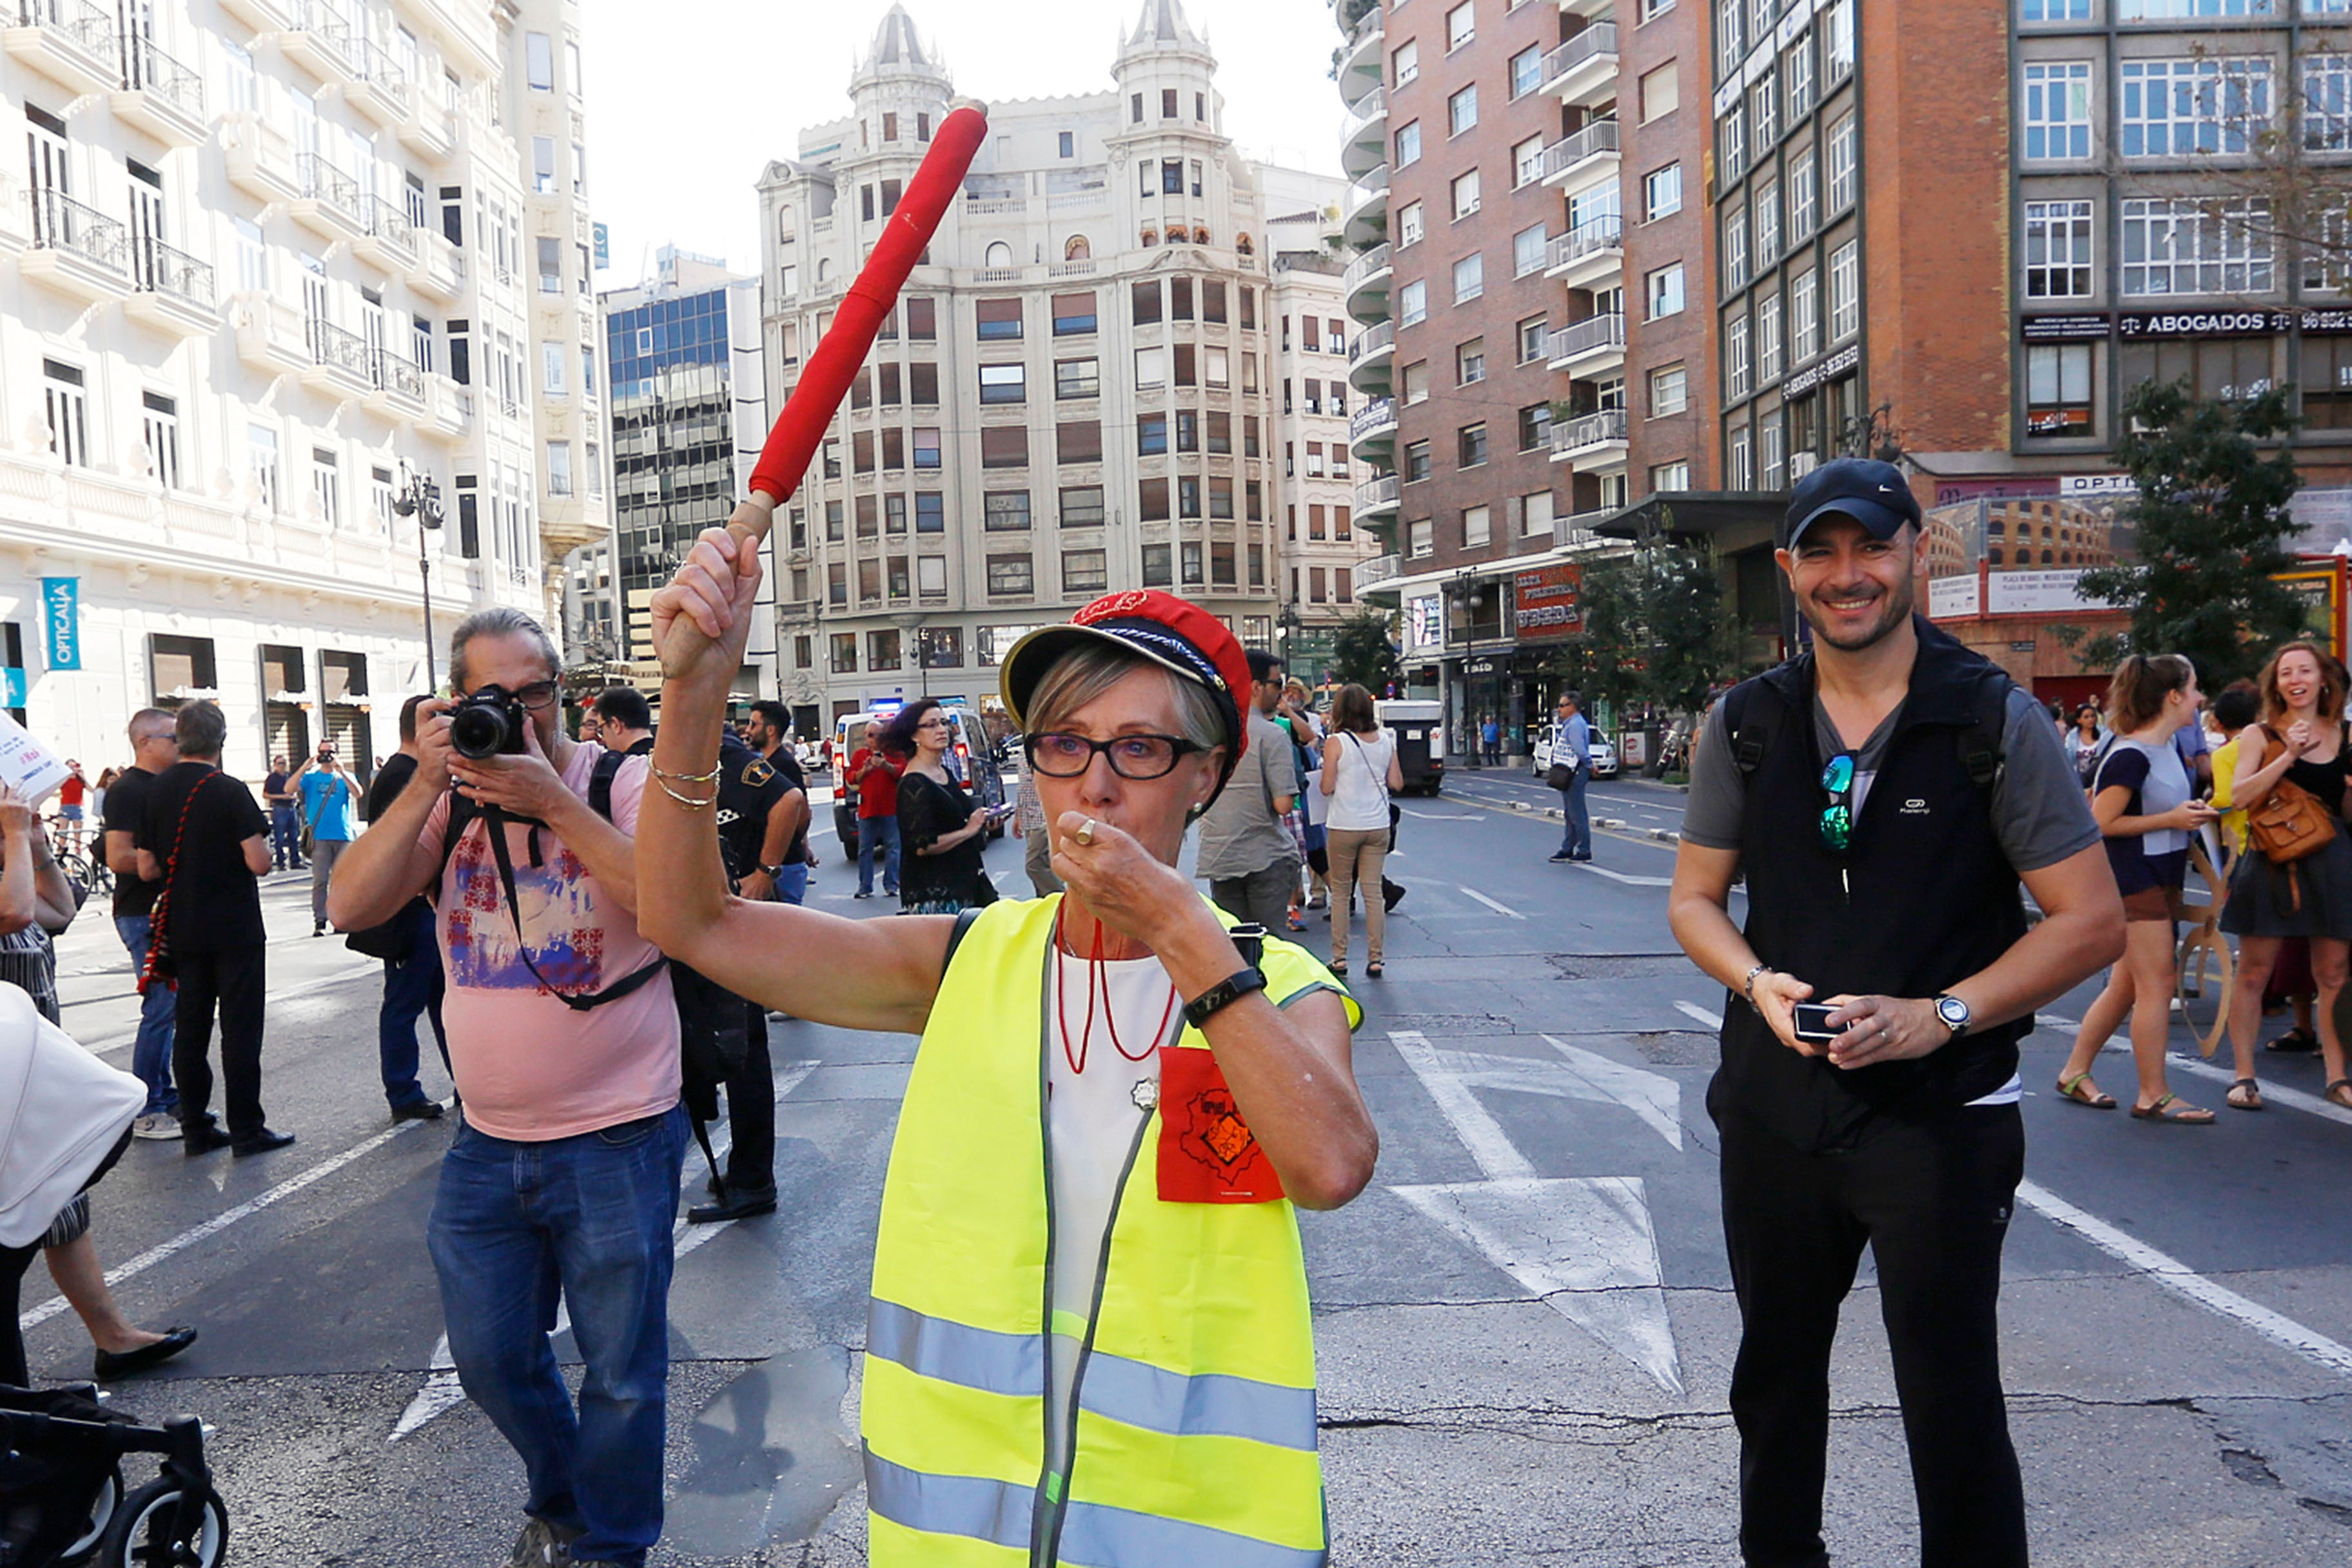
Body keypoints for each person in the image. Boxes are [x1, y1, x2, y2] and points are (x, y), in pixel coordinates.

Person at [636, 537, 1375, 1568]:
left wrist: (1183, 935)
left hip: (1194, 1536)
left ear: (1206, 775)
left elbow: (1331, 1164)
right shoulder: (968, 961)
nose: (1096, 787)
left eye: (1142, 749)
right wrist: (695, 698)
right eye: (1064, 744)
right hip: (958, 1535)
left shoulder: (1279, 985)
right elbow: (691, 923)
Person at [1665, 456, 2122, 1568]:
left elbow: (2088, 920)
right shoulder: (1746, 724)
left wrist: (1940, 1014)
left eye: (1870, 546)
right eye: (1818, 552)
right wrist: (1751, 980)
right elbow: (1692, 899)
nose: (1846, 574)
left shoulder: (1989, 721)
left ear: (1916, 554)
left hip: (1940, 1116)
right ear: (1786, 570)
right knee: (1772, 1381)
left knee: (1947, 1394)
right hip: (1776, 1112)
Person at [325, 607, 683, 1568]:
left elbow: (675, 908)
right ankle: (566, 1498)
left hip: (620, 1132)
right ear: (455, 703)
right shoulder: (452, 796)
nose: (517, 716)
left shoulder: (620, 778)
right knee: (487, 1358)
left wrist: (554, 805)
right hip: (487, 1142)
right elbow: (349, 903)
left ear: (560, 695)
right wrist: (426, 781)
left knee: (621, 1376)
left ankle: (608, 1549)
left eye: (533, 694)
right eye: (493, 698)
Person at [0, 786, 199, 1384]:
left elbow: (55, 910)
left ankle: (110, 1337)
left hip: (38, 1079)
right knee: (40, 1213)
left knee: (65, 1204)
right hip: (11, 1088)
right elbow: (14, 914)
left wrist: (35, 846)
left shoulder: (12, 861)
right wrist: (13, 836)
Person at [2053, 656, 2222, 1121]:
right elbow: (2101, 823)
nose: (2200, 698)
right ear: (2172, 696)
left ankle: (2075, 1070)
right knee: (2157, 984)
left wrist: (2185, 815)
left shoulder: (2162, 747)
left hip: (2158, 875)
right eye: (2193, 689)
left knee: (2129, 986)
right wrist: (2172, 818)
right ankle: (2153, 1092)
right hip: (2133, 879)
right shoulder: (2131, 753)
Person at [136, 701, 292, 1157]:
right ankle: (247, 1129)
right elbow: (260, 863)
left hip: (182, 928)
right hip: (235, 928)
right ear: (220, 742)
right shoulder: (227, 790)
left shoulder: (157, 790)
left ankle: (196, 1127)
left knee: (191, 1028)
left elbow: (146, 867)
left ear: (180, 739)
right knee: (240, 1031)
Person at [2217, 641, 2352, 1112]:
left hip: (2333, 859)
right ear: (2276, 683)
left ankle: (2337, 1076)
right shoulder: (2259, 734)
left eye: (2305, 671)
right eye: (2286, 672)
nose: (2295, 680)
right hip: (2273, 860)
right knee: (2254, 972)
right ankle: (2243, 1076)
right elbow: (2239, 798)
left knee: (2333, 974)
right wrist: (2288, 755)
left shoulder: (2344, 734)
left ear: (2323, 680)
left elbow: (2343, 811)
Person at [362, 696, 449, 1123]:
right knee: (404, 1003)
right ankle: (402, 1091)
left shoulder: (404, 773)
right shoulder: (404, 775)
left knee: (441, 1000)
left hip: (419, 907)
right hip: (410, 909)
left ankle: (464, 1079)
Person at [103, 710, 181, 1139]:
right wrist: (178, 859)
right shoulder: (129, 789)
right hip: (142, 912)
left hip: (166, 910)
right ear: (146, 742)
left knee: (173, 1007)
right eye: (173, 737)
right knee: (161, 1006)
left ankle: (166, 1094)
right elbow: (118, 856)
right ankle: (149, 1105)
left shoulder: (164, 785)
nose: (179, 744)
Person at [1193, 649, 1300, 932]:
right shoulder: (1272, 735)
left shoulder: (1211, 733)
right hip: (1264, 854)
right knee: (1269, 946)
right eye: (1277, 684)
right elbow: (1283, 805)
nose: (1281, 692)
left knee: (1235, 947)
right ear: (1256, 687)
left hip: (1220, 856)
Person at [1321, 683, 1402, 979]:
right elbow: (1396, 783)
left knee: (1341, 892)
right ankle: (1376, 959)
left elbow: (1327, 787)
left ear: (1340, 710)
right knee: (1373, 893)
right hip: (1377, 825)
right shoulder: (1385, 741)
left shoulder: (1336, 742)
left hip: (1344, 824)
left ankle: (1340, 958)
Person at [887, 700, 995, 915]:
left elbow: (960, 820)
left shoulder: (944, 772)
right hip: (936, 895)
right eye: (932, 725)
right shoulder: (914, 783)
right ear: (914, 735)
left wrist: (984, 822)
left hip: (966, 884)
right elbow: (922, 846)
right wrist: (969, 830)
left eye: (944, 723)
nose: (941, 730)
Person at [743, 700, 814, 905]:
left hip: (785, 865)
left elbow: (802, 812)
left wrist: (793, 840)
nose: (748, 730)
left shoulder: (782, 764)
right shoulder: (766, 763)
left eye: (753, 724)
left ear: (771, 730)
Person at [293, 742, 360, 936]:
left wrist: (343, 770)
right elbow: (289, 788)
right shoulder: (311, 778)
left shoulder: (344, 778)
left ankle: (341, 919)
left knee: (341, 882)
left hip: (343, 835)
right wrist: (304, 767)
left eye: (329, 752)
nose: (325, 756)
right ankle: (320, 920)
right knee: (320, 881)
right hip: (319, 837)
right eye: (321, 752)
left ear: (337, 754)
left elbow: (358, 793)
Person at [848, 720, 903, 899]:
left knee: (893, 848)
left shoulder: (893, 754)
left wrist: (885, 765)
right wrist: (864, 770)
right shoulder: (860, 755)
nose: (868, 739)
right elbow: (851, 778)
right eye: (866, 735)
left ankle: (892, 884)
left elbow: (903, 771)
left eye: (872, 735)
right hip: (867, 809)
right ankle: (865, 886)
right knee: (865, 849)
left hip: (890, 808)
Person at [1550, 691, 1594, 863]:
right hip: (1569, 771)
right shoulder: (1570, 724)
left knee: (1577, 813)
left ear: (1572, 707)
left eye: (1562, 705)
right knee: (1570, 813)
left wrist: (1590, 765)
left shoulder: (1575, 725)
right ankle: (1568, 848)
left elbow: (1580, 750)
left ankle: (1584, 850)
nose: (1559, 709)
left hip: (1575, 772)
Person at [262, 754, 303, 872]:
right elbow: (265, 795)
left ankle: (295, 861)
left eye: (284, 763)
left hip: (292, 807)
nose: (283, 766)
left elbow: (297, 787)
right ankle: (281, 862)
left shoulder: (289, 776)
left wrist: (294, 796)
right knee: (279, 837)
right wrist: (282, 796)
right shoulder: (272, 779)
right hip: (280, 808)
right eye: (280, 763)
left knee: (294, 836)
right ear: (275, 765)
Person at [593, 686, 656, 755]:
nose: (603, 740)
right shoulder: (665, 754)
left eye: (601, 731)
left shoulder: (626, 763)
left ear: (615, 725)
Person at [2063, 703, 2107, 787]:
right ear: (2079, 720)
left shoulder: (2104, 734)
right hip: (2080, 780)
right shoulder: (2072, 737)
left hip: (2101, 778)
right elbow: (2069, 759)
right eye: (2086, 717)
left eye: (2093, 716)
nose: (2090, 719)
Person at [55, 761, 86, 855]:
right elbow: (56, 787)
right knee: (63, 835)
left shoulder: (80, 779)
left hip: (78, 807)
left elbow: (91, 789)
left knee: (77, 837)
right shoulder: (64, 780)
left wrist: (82, 776)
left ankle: (78, 858)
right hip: (65, 807)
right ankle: (60, 856)